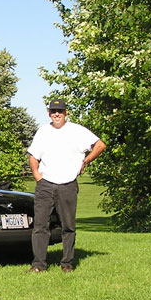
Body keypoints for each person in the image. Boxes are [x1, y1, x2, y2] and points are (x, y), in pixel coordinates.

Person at [27, 98, 106, 273]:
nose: (57, 114)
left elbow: (100, 145)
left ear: (66, 113)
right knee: (40, 226)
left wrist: (86, 161)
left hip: (68, 184)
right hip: (45, 184)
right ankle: (38, 265)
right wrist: (37, 175)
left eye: (60, 111)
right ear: (49, 113)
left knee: (68, 226)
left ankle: (67, 264)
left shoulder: (77, 131)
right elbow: (33, 156)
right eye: (54, 111)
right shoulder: (43, 131)